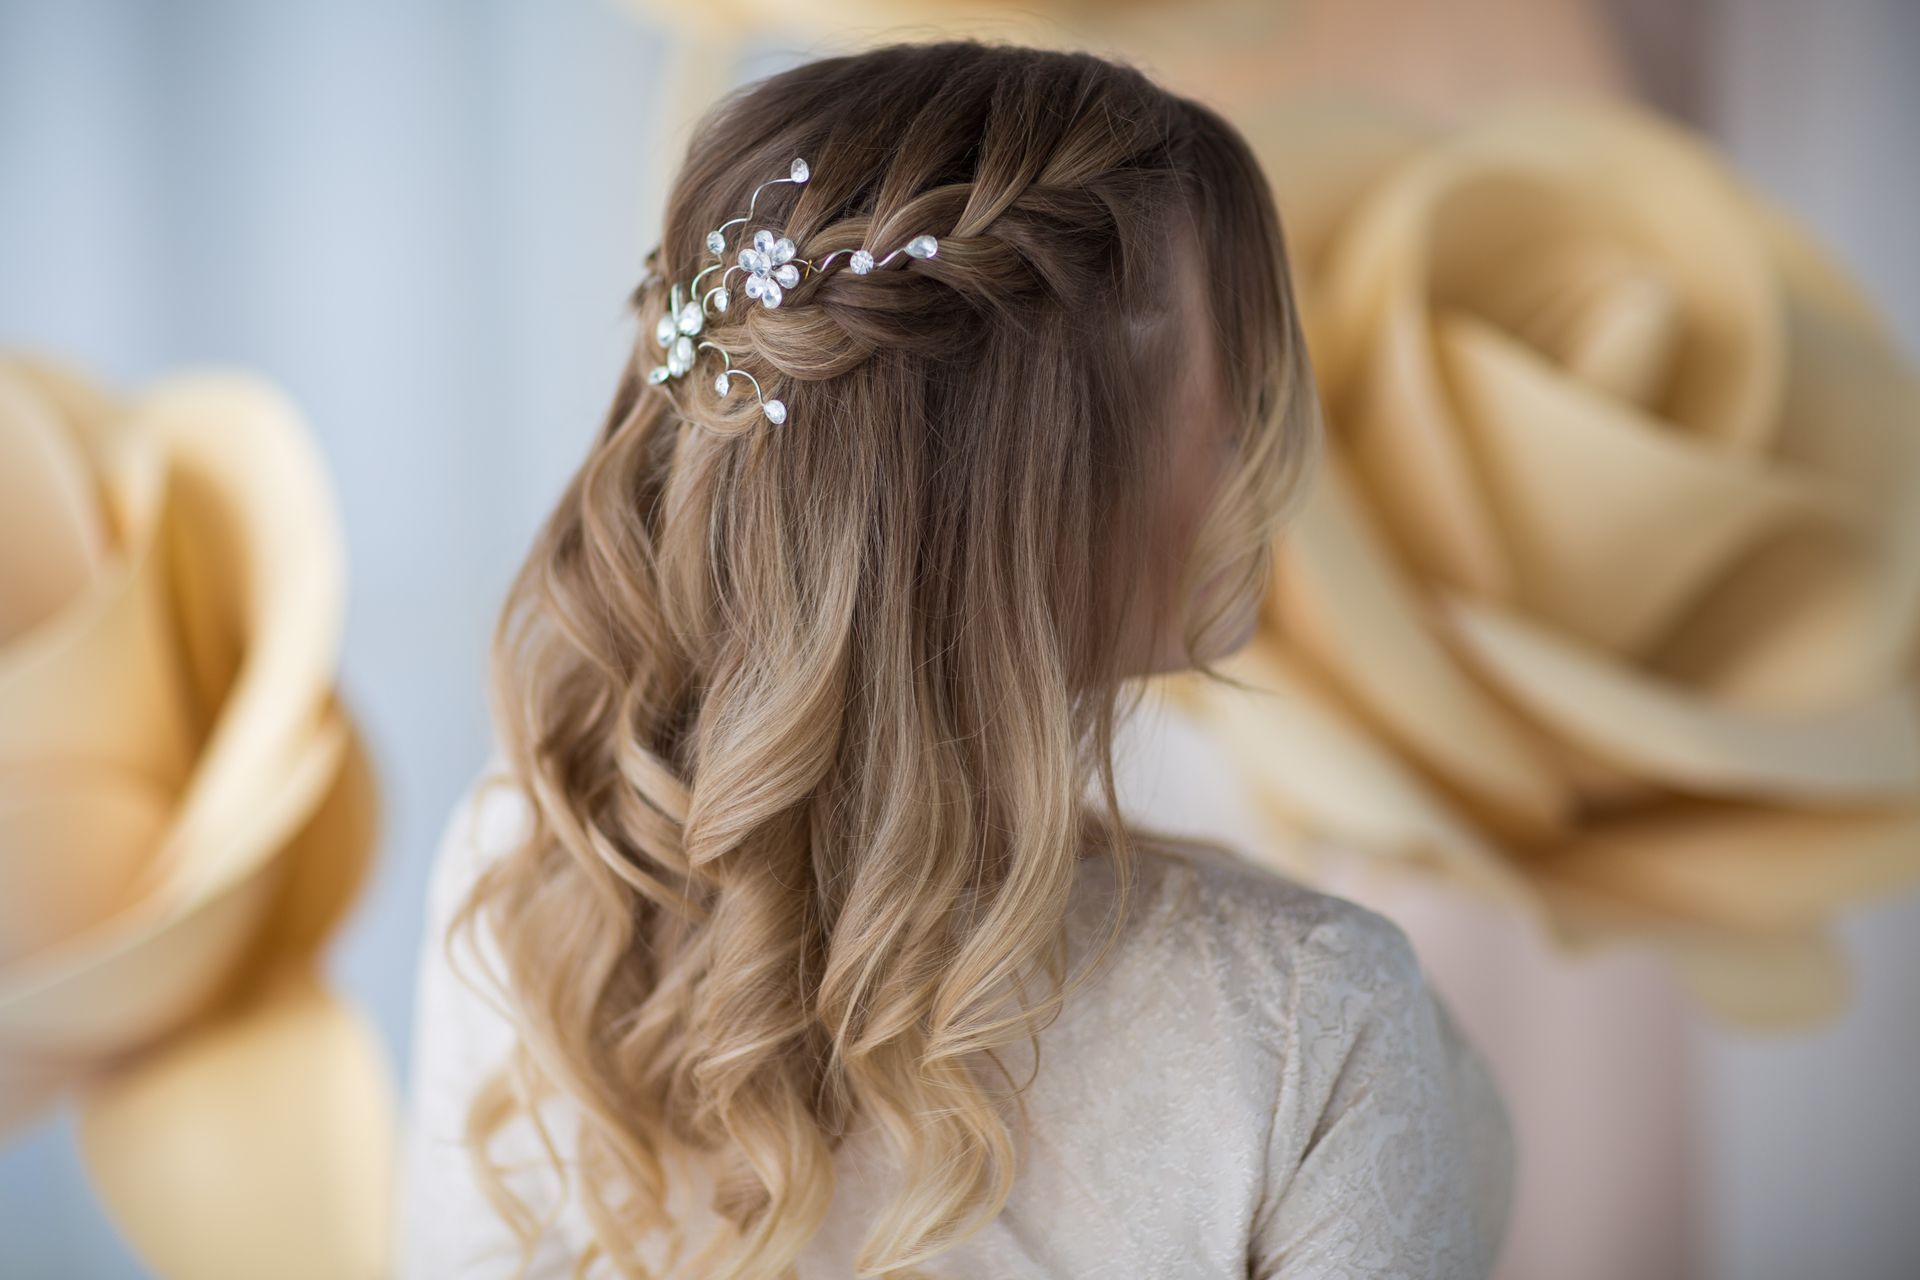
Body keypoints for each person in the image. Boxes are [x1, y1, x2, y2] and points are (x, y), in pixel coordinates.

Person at [396, 39, 1513, 1280]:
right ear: (1037, 469)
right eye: (1227, 361)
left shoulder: (541, 881)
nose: (1253, 423)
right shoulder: (1308, 1012)